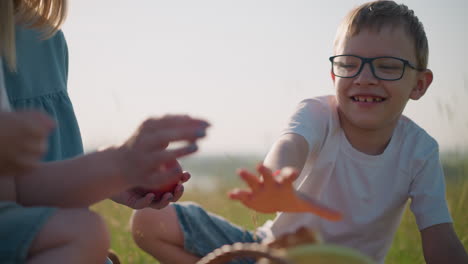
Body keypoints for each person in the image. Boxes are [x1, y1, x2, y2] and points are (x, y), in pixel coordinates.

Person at [130, 1, 468, 264]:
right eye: (350, 64)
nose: (365, 77)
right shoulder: (319, 113)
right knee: (147, 219)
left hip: (346, 263)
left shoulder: (420, 151)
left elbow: (439, 236)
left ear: (419, 84)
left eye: (388, 67)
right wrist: (277, 178)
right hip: (272, 252)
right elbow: (290, 143)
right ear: (335, 76)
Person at [0, 0, 210, 263]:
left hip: (57, 239)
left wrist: (111, 176)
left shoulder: (46, 39)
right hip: (55, 242)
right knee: (85, 232)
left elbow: (22, 186)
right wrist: (114, 167)